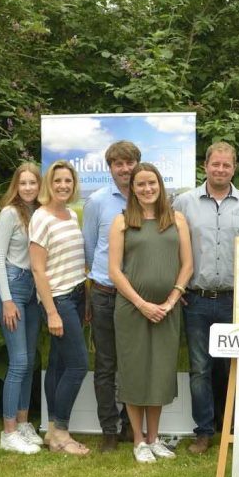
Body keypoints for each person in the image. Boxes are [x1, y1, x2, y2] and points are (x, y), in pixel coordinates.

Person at [174, 142, 239, 455]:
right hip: (196, 299)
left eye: (226, 165)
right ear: (206, 166)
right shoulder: (183, 203)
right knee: (200, 369)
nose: (220, 170)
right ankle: (204, 433)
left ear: (235, 168)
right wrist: (177, 288)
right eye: (216, 164)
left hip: (235, 299)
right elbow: (172, 248)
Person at [108, 163, 193, 463]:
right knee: (134, 373)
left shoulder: (176, 219)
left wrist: (171, 301)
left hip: (167, 311)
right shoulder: (121, 222)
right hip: (132, 309)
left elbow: (187, 265)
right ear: (132, 188)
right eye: (140, 184)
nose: (147, 189)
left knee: (159, 373)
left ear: (160, 185)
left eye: (152, 184)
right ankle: (139, 441)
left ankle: (155, 439)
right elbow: (114, 272)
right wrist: (142, 304)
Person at [83, 141, 141, 452]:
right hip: (105, 293)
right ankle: (109, 429)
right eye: (118, 164)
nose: (125, 169)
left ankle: (130, 424)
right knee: (106, 364)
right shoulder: (97, 202)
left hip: (138, 297)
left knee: (132, 363)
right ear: (110, 168)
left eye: (130, 162)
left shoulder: (149, 197)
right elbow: (90, 249)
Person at [30, 160, 90, 455]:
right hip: (58, 299)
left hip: (77, 294)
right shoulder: (41, 218)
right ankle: (62, 433)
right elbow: (38, 271)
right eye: (57, 181)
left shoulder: (69, 214)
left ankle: (52, 430)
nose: (63, 186)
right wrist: (52, 311)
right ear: (48, 185)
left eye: (68, 181)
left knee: (58, 363)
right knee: (79, 365)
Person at [0, 163, 44, 455]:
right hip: (12, 286)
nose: (27, 188)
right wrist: (7, 299)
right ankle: (8, 431)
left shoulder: (40, 212)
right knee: (19, 362)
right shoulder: (9, 213)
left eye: (32, 183)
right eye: (22, 183)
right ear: (16, 185)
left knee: (30, 362)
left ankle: (23, 424)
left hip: (34, 289)